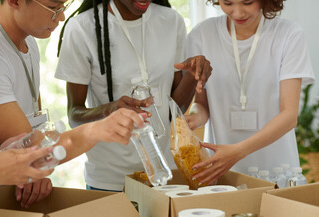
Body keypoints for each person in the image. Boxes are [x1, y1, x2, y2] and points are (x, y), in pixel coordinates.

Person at [0, 0, 145, 208]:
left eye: (63, 8)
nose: (60, 17)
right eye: (53, 8)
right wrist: (98, 129)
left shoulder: (28, 43)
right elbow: (30, 154)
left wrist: (35, 173)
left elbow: (34, 137)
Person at [55, 0, 212, 191]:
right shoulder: (81, 28)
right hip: (109, 180)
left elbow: (174, 110)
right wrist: (110, 109)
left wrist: (192, 76)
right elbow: (74, 115)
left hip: (164, 176)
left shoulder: (172, 21)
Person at [185, 0, 315, 185]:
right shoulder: (201, 35)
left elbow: (289, 115)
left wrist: (237, 152)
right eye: (227, 2)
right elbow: (203, 104)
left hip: (277, 170)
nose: (238, 13)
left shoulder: (288, 35)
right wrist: (196, 117)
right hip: (222, 169)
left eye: (247, 2)